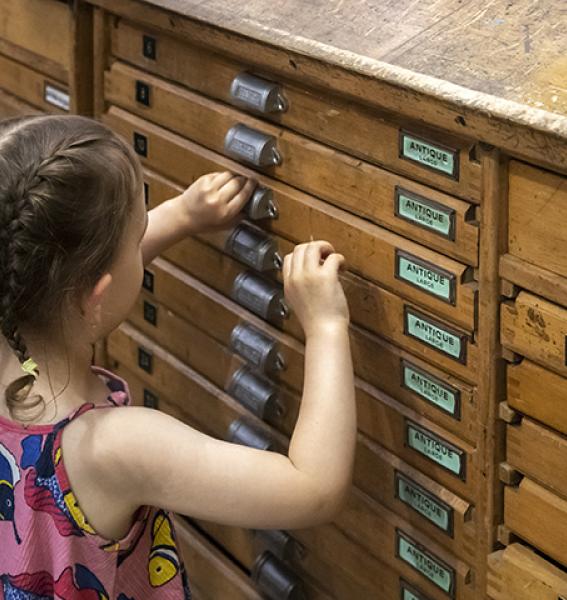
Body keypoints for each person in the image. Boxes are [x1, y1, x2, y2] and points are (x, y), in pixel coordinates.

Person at [0, 115, 356, 598]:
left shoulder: (19, 327)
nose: (144, 237)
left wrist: (178, 217)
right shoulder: (115, 448)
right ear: (96, 295)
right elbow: (314, 488)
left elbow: (68, 279)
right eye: (139, 232)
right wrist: (326, 326)